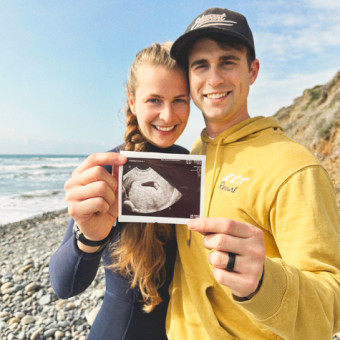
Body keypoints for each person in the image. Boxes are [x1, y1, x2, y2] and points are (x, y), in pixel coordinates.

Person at [165, 7, 340, 339]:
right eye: (200, 65)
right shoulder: (193, 157)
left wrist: (262, 283)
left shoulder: (295, 169)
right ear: (189, 77)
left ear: (253, 71)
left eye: (228, 62)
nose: (214, 79)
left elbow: (332, 308)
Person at [49, 42, 190, 339]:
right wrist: (89, 236)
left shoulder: (193, 168)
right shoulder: (110, 170)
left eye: (180, 99)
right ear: (132, 102)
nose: (168, 115)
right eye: (154, 100)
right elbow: (64, 285)